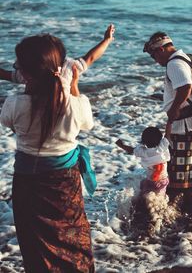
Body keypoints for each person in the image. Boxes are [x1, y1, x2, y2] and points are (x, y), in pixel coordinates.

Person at [0, 27, 114, 273]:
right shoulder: (76, 105)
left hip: (27, 181)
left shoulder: (14, 104)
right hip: (65, 180)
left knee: (34, 241)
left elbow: (12, 126)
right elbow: (86, 124)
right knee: (71, 235)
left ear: (26, 73)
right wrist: (74, 87)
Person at [143, 32, 192, 214]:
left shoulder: (174, 63)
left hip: (183, 124)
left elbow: (185, 86)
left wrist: (174, 109)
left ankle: (178, 212)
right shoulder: (188, 58)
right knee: (190, 167)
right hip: (191, 121)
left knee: (177, 172)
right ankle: (189, 207)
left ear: (161, 49)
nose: (155, 60)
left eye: (154, 55)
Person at [0, 24, 115, 86]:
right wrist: (106, 41)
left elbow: (4, 74)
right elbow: (90, 58)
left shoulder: (28, 76)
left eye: (19, 65)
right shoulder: (68, 69)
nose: (16, 67)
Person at [116, 126, 170, 196]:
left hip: (149, 181)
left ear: (144, 141)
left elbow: (131, 150)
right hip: (162, 181)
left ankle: (140, 200)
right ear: (160, 139)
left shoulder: (143, 152)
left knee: (144, 191)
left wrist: (122, 145)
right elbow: (167, 135)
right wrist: (170, 122)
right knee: (158, 197)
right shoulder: (162, 148)